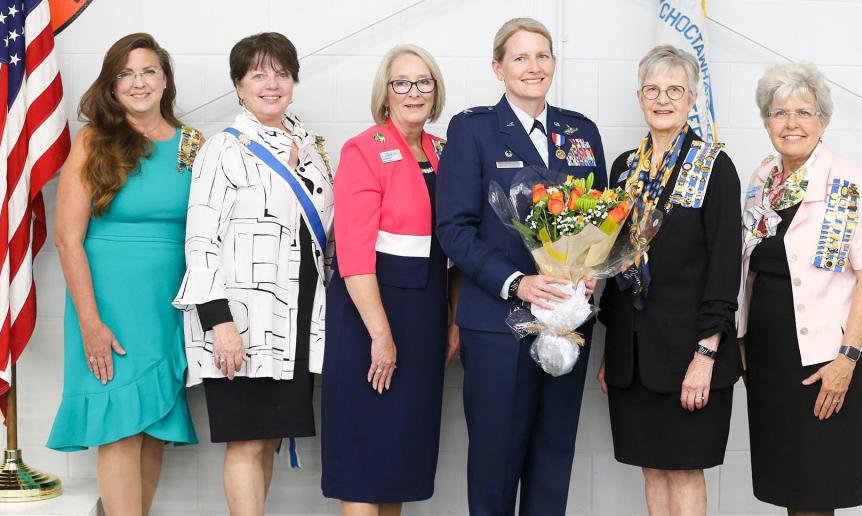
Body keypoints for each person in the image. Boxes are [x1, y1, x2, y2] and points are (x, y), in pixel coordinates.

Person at [436, 17, 606, 516]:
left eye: (542, 56)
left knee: (553, 460)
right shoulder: (473, 130)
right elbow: (454, 228)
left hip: (568, 323)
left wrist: (592, 269)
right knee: (494, 462)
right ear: (498, 67)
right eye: (520, 57)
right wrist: (518, 284)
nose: (533, 67)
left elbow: (599, 221)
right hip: (497, 325)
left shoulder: (581, 131)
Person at [172, 32, 334, 516]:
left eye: (281, 73)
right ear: (238, 86)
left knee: (265, 441)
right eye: (258, 74)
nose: (271, 83)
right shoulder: (224, 149)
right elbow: (200, 242)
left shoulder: (309, 149)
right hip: (241, 324)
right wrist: (219, 323)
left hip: (294, 324)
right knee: (245, 442)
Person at [47, 33, 199, 515]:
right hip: (107, 304)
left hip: (169, 306)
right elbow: (68, 239)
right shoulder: (93, 139)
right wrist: (91, 323)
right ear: (112, 86)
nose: (138, 82)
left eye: (149, 71)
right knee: (120, 425)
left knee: (154, 424)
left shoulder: (192, 144)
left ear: (166, 79)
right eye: (125, 73)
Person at [739, 61, 862, 515]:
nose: (791, 123)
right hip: (771, 353)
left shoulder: (851, 182)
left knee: (816, 485)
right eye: (779, 112)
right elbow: (748, 267)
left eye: (803, 112)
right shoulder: (763, 179)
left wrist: (847, 360)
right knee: (788, 481)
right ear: (767, 122)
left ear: (823, 120)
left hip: (830, 356)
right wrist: (743, 337)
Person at [596, 44, 741, 515]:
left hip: (688, 353)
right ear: (639, 96)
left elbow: (724, 268)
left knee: (683, 468)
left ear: (692, 99)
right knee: (652, 469)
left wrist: (706, 354)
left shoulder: (712, 166)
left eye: (674, 90)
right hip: (633, 356)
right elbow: (615, 263)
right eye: (653, 89)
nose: (663, 99)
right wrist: (612, 352)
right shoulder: (623, 169)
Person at [321, 44, 454, 516]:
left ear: (435, 92)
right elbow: (354, 256)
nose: (413, 92)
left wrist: (452, 319)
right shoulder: (362, 150)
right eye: (402, 82)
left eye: (424, 82)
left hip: (424, 313)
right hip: (370, 312)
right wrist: (380, 335)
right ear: (386, 93)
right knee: (363, 458)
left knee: (399, 457)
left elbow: (454, 248)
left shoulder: (443, 151)